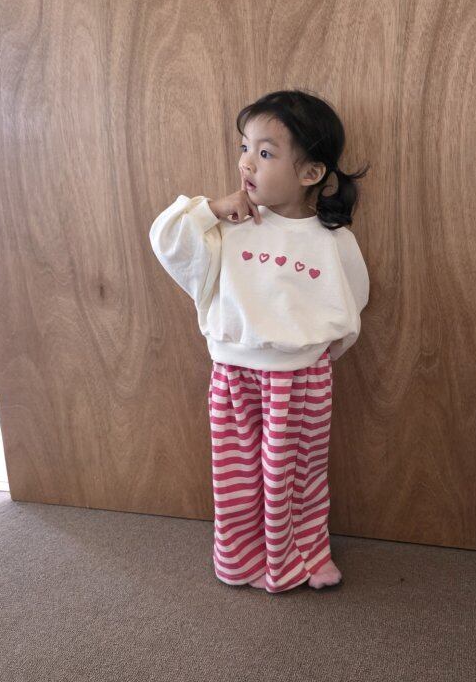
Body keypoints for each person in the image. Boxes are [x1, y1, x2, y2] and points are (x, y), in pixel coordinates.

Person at [148, 89, 370, 594]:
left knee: (298, 476)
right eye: (244, 147)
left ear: (310, 172)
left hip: (303, 379)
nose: (247, 162)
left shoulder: (332, 240)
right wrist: (208, 209)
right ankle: (240, 559)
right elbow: (167, 240)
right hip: (233, 376)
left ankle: (306, 554)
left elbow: (351, 301)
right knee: (238, 478)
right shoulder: (228, 227)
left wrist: (312, 354)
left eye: (265, 153)